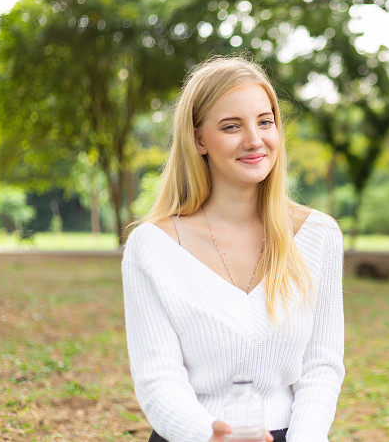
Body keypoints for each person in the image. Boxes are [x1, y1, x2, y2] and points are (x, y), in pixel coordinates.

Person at [121, 56, 345, 442]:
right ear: (198, 139)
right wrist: (211, 436)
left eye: (264, 121)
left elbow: (321, 366)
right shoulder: (151, 246)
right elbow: (158, 379)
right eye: (231, 126)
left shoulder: (319, 235)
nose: (254, 140)